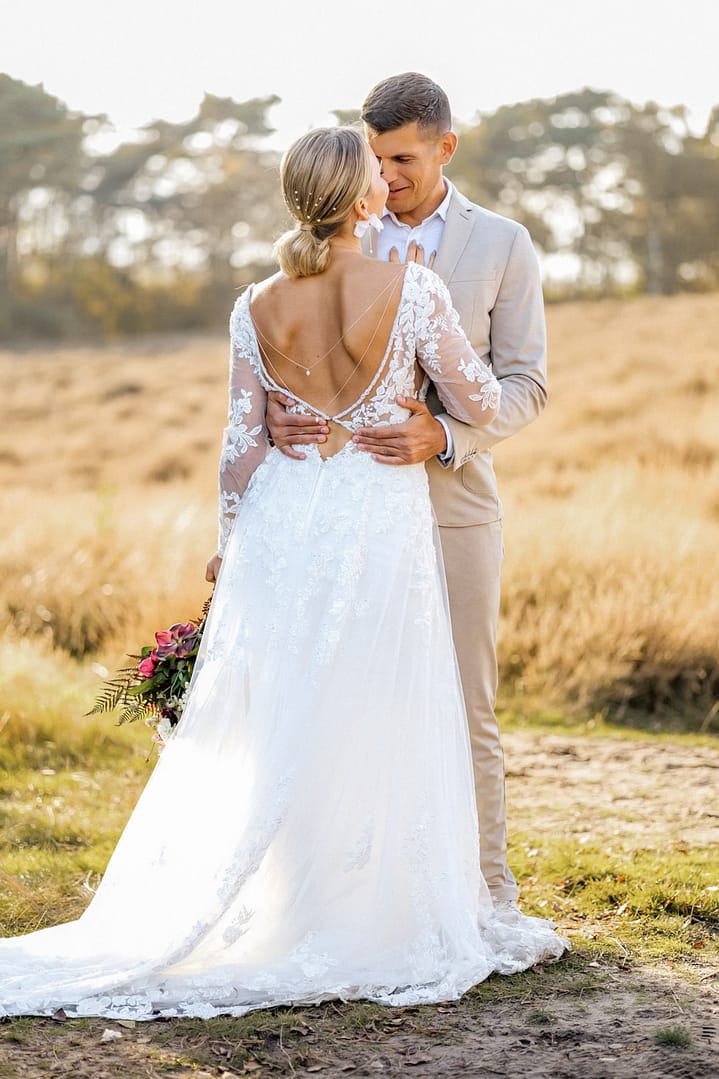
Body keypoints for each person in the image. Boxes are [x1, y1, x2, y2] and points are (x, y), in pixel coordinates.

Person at [0, 127, 565, 1021]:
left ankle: (291, 896)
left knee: (289, 705)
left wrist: (234, 543)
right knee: (376, 703)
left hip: (286, 524)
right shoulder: (411, 289)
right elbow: (487, 402)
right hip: (377, 515)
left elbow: (239, 449)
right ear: (360, 199)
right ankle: (366, 907)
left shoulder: (253, 302)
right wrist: (417, 411)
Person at [267, 73, 548, 905]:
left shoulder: (503, 244)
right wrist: (284, 419)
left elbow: (526, 383)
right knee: (353, 695)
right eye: (375, 159)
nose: (385, 177)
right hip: (348, 509)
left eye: (401, 158)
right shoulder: (339, 227)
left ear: (444, 147)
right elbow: (293, 357)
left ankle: (486, 885)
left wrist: (448, 434)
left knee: (467, 700)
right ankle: (368, 887)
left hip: (456, 507)